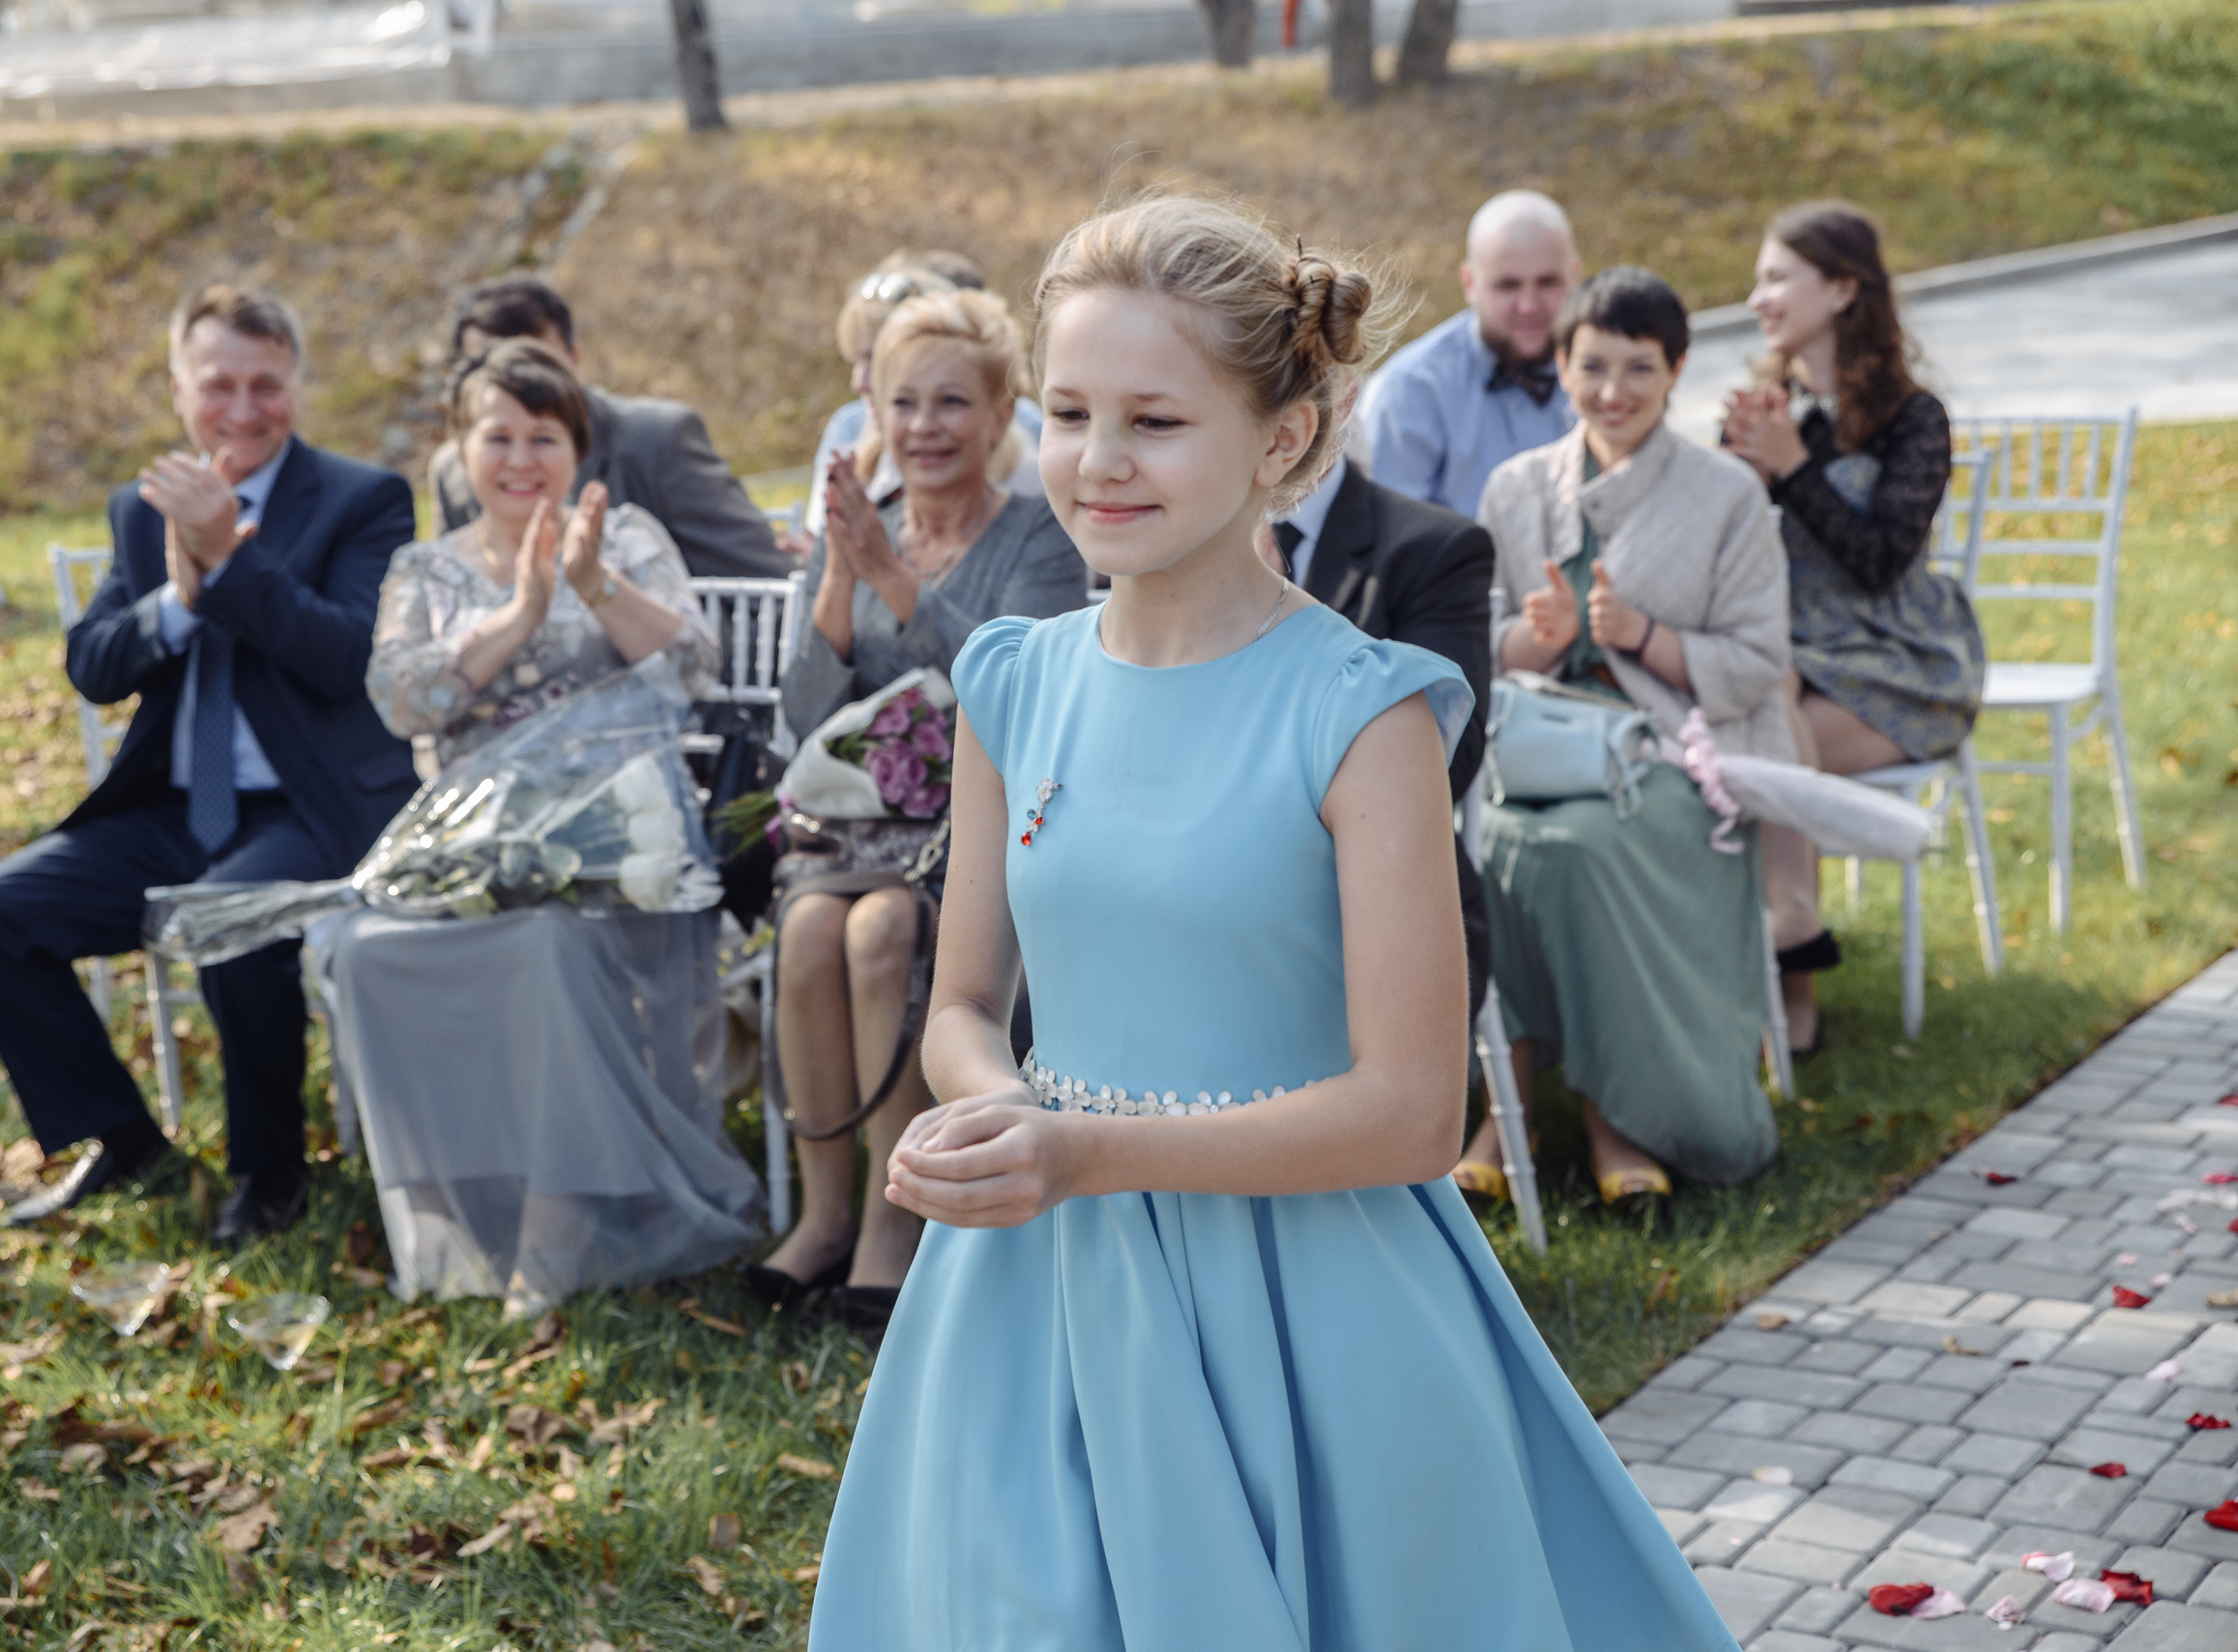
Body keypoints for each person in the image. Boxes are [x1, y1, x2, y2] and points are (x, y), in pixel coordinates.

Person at [804, 196, 1736, 1651]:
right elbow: (966, 1009)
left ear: (1284, 440)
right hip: (1047, 1286)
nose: (1098, 462)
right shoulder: (1011, 684)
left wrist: (1088, 1149)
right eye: (1067, 411)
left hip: (1310, 1303)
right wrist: (994, 1121)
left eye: (1156, 421)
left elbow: (1416, 1111)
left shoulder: (1361, 715)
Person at [0, 283, 419, 1243]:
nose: (242, 409)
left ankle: (268, 1169)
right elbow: (94, 665)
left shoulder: (364, 500)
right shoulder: (138, 504)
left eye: (265, 385)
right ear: (177, 389)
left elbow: (342, 655)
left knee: (228, 914)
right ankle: (124, 1139)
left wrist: (227, 560)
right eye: (218, 385)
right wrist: (177, 595)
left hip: (311, 806)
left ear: (296, 386)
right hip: (173, 805)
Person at [335, 339, 760, 1313]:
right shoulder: (426, 567)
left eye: (544, 436)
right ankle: (454, 1216)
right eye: (499, 436)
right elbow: (403, 700)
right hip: (469, 849)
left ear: (578, 449)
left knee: (546, 945)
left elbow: (697, 665)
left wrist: (594, 584)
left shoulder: (630, 537)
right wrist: (521, 610)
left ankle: (551, 1229)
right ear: (458, 450)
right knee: (366, 951)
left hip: (618, 849)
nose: (521, 458)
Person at [754, 287, 1088, 1323]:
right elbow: (803, 714)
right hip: (847, 828)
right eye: (903, 404)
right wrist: (838, 583)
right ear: (874, 418)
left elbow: (1012, 690)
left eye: (952, 403)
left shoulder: (1039, 537)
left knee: (883, 930)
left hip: (971, 831)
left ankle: (895, 1232)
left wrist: (894, 580)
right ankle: (823, 1217)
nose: (925, 428)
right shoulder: (859, 523)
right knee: (811, 928)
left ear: (1000, 417)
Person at [1463, 267, 1793, 1207]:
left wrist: (1638, 637)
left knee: (1573, 849)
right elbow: (1481, 643)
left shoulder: (1727, 494)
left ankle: (1618, 1117)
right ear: (1560, 367)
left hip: (1678, 758)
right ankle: (1507, 1104)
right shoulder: (1516, 486)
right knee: (1486, 845)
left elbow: (1758, 659)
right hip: (1531, 749)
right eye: (1591, 365)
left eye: (1637, 368)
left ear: (1677, 369)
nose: (1612, 390)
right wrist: (1541, 640)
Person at [1722, 201, 1983, 1055]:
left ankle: (1787, 989)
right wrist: (1732, 473)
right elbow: (1729, 555)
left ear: (1841, 289)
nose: (1757, 297)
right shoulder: (1768, 408)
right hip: (1789, 661)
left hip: (1899, 664)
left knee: (1739, 758)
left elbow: (1878, 560)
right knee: (1758, 703)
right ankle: (1780, 944)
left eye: (1775, 278)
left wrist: (1793, 465)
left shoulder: (1916, 419)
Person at [1262, 445, 1495, 1021]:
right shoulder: (1164, 534)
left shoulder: (1433, 547)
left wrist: (1266, 610)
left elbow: (1449, 760)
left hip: (1371, 906)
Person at [427, 275, 791, 579]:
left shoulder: (658, 440)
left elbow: (762, 576)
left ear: (574, 359)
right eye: (488, 367)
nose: (512, 387)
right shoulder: (452, 470)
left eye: (535, 367)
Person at [1353, 188, 1581, 518]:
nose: (1530, 305)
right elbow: (1390, 543)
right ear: (1470, 282)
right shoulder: (1409, 393)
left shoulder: (1610, 378)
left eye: (1548, 282)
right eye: (1508, 285)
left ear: (1575, 275)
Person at [799, 251, 1046, 547]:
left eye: (876, 360)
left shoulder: (1028, 453)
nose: (859, 382)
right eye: (904, 402)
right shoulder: (852, 434)